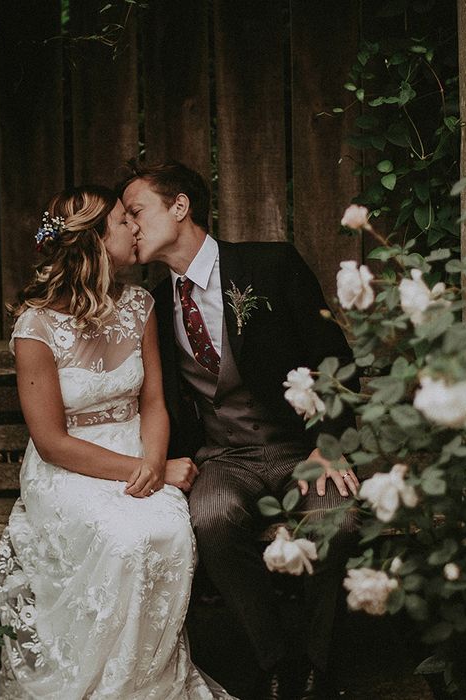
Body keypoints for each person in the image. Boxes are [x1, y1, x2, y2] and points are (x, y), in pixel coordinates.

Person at [120, 162, 360, 700]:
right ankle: (275, 659)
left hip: (302, 449)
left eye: (136, 212)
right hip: (224, 457)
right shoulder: (156, 306)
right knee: (210, 518)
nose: (130, 226)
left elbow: (335, 361)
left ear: (179, 207)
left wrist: (331, 446)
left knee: (335, 522)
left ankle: (321, 667)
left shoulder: (271, 265)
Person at [0, 185, 237, 699]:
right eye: (123, 222)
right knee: (124, 541)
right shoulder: (35, 326)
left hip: (137, 447)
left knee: (169, 531)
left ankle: (146, 684)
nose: (134, 228)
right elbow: (52, 441)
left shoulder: (139, 305)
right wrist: (140, 470)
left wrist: (154, 460)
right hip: (69, 467)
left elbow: (153, 401)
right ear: (96, 243)